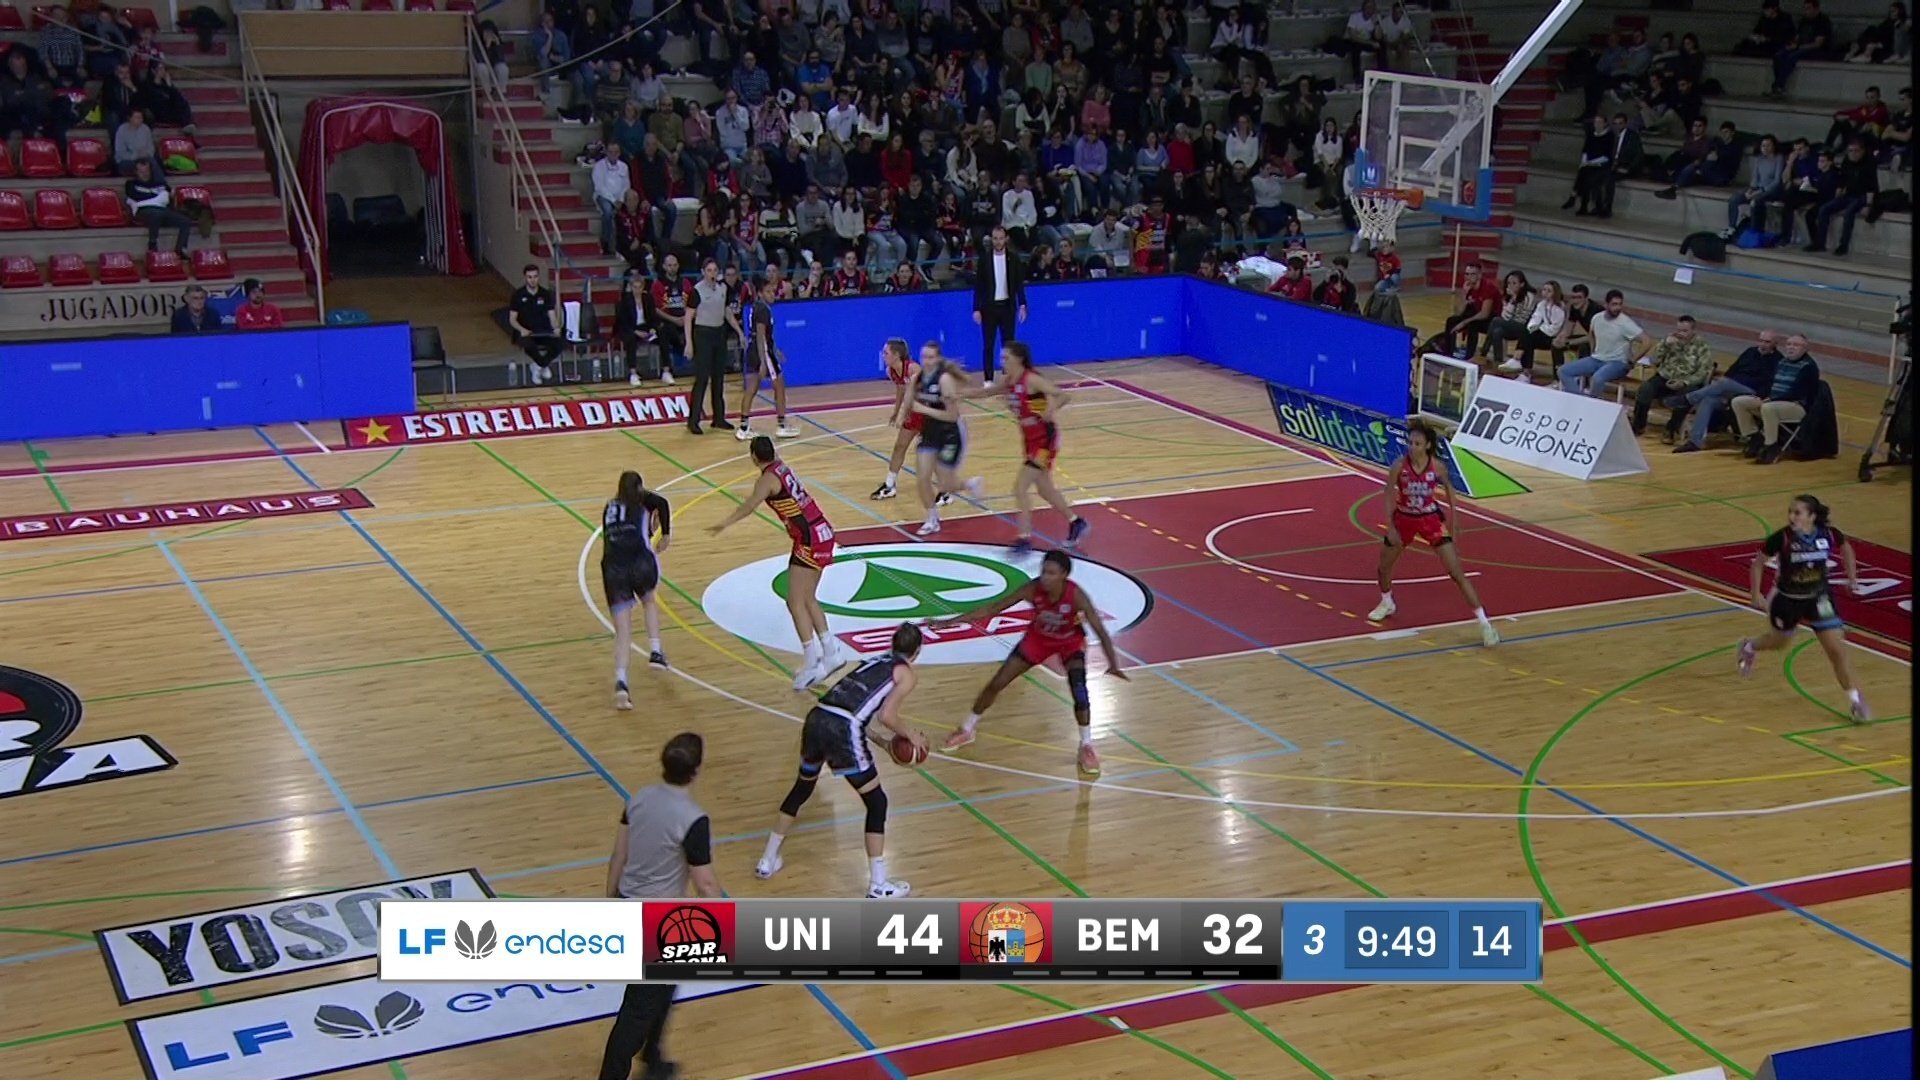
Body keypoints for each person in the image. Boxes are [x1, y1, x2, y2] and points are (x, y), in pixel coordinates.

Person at [754, 622, 927, 898]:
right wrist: (910, 736)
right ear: (917, 652)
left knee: (802, 788)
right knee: (877, 803)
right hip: (843, 729)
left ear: (892, 644)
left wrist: (884, 743)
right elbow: (886, 716)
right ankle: (878, 885)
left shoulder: (873, 662)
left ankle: (767, 859)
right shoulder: (905, 673)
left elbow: (853, 710)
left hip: (818, 717)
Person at [935, 549, 1127, 776]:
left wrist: (1113, 664)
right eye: (1043, 571)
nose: (1045, 577)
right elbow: (992, 609)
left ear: (1064, 575)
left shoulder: (1076, 595)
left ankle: (1086, 745)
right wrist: (949, 622)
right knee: (997, 683)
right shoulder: (1032, 588)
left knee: (1080, 692)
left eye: (1051, 573)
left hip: (1069, 644)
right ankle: (967, 729)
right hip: (1038, 641)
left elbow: (1101, 632)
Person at [597, 732, 722, 1080]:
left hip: (628, 904)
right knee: (637, 1010)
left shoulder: (638, 799)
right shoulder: (693, 819)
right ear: (697, 770)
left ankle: (652, 1056)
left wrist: (611, 901)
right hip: (657, 924)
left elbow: (619, 855)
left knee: (664, 986)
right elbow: (705, 883)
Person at [708, 437, 844, 690]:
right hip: (821, 530)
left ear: (753, 456)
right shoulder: (781, 467)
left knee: (795, 601)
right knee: (808, 598)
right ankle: (830, 650)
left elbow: (750, 506)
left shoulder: (767, 480)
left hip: (809, 539)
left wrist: (724, 523)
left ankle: (813, 662)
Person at [1736, 495, 1869, 723]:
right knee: (1779, 643)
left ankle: (1856, 701)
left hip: (1819, 598)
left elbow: (1846, 548)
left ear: (1812, 516)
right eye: (1790, 512)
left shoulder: (1828, 534)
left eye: (1797, 512)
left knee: (1837, 652)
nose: (1791, 516)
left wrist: (1852, 578)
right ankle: (1749, 646)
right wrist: (1755, 593)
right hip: (1787, 599)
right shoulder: (1782, 538)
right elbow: (1757, 564)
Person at [1366, 420, 1499, 647]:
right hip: (1404, 519)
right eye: (1410, 443)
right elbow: (1388, 494)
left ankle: (1485, 624)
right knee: (1383, 567)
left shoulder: (1437, 467)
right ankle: (1387, 602)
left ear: (1427, 445)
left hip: (1430, 520)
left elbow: (1449, 489)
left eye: (1417, 443)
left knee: (1456, 572)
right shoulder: (1399, 466)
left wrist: (1455, 519)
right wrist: (1390, 526)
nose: (1412, 447)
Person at [963, 342, 1090, 554]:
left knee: (1020, 487)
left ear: (1019, 359)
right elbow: (985, 393)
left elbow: (1062, 395)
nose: (1002, 361)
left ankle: (1024, 538)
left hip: (1044, 440)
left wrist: (1050, 410)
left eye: (1006, 358)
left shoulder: (1030, 379)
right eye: (1001, 358)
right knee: (1044, 489)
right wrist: (958, 395)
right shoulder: (1009, 381)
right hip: (1030, 439)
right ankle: (1076, 521)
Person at [601, 471, 672, 711]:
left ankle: (621, 683)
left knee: (622, 631)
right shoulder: (642, 502)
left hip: (613, 567)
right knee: (649, 601)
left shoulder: (609, 507)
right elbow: (662, 503)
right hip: (639, 560)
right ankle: (655, 651)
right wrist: (664, 533)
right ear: (639, 487)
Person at [907, 342, 986, 537]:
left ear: (938, 359)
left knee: (945, 485)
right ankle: (932, 519)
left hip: (949, 433)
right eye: (924, 357)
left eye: (931, 357)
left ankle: (969, 484)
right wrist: (902, 415)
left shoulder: (945, 380)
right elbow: (909, 400)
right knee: (922, 478)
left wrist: (923, 409)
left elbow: (951, 416)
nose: (926, 361)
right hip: (929, 432)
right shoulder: (918, 379)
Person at [1668, 329, 1780, 453]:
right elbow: (1733, 370)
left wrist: (1758, 394)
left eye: (1767, 342)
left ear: (1775, 344)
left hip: (1753, 393)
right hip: (1730, 389)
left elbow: (1771, 383)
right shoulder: (1750, 351)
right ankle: (1695, 442)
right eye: (1761, 341)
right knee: (1708, 400)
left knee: (1723, 383)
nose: (1763, 344)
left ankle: (1688, 399)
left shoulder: (1777, 360)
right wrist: (1724, 388)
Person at [1730, 332, 1821, 462]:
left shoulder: (1809, 366)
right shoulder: (1782, 362)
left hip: (1796, 405)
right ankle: (1754, 437)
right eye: (1789, 344)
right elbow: (1770, 383)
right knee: (1739, 402)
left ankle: (1770, 446)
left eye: (1796, 345)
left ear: (1805, 349)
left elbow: (1797, 393)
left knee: (1768, 408)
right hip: (1773, 401)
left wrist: (1772, 400)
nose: (1791, 347)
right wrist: (1760, 396)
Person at [733, 276, 798, 439]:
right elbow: (761, 337)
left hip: (753, 350)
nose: (772, 295)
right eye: (768, 292)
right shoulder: (763, 310)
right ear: (760, 294)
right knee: (779, 386)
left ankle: (743, 427)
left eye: (773, 291)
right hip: (763, 353)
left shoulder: (755, 307)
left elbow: (763, 336)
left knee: (751, 389)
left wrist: (776, 350)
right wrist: (764, 361)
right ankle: (782, 425)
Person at [1558, 289, 1653, 399]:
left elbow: (1647, 341)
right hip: (1597, 359)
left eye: (1620, 304)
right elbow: (1591, 335)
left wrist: (1633, 360)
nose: (1618, 308)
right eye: (1614, 304)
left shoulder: (1625, 323)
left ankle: (1594, 401)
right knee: (1563, 371)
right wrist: (1593, 351)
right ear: (1606, 305)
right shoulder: (1597, 318)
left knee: (1597, 378)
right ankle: (1579, 398)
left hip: (1617, 363)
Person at [1629, 315, 1713, 438]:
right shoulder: (1669, 339)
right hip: (1665, 378)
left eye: (1685, 331)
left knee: (1685, 397)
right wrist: (1665, 345)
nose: (1681, 334)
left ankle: (1671, 430)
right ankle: (1638, 425)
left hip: (1687, 382)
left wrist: (1684, 382)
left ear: (1693, 331)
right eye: (1679, 330)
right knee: (1645, 389)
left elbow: (1703, 373)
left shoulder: (1702, 346)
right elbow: (1654, 360)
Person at [683, 259, 734, 434]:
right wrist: (689, 343)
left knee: (718, 378)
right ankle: (693, 420)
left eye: (715, 270)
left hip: (719, 333)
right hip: (703, 334)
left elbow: (727, 312)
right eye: (709, 270)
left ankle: (719, 418)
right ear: (703, 272)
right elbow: (688, 317)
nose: (712, 273)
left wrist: (739, 331)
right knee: (702, 378)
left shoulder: (723, 288)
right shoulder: (696, 291)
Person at [972, 225, 1027, 380]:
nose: (998, 242)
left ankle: (1008, 376)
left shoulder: (1014, 259)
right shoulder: (984, 260)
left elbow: (1019, 284)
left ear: (1006, 239)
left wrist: (1022, 304)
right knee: (988, 345)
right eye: (995, 238)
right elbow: (979, 286)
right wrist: (976, 308)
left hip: (1007, 307)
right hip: (989, 308)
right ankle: (988, 379)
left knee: (1009, 346)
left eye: (1001, 238)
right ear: (992, 239)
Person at [509, 264, 562, 385]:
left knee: (560, 342)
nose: (532, 280)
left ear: (538, 277)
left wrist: (555, 328)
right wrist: (521, 329)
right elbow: (512, 319)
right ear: (525, 278)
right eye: (530, 277)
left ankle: (538, 365)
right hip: (526, 332)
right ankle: (543, 365)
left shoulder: (545, 294)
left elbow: (552, 316)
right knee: (528, 345)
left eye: (535, 276)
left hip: (543, 331)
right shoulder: (517, 295)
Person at [125, 158, 191, 255]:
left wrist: (160, 196)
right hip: (143, 211)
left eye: (147, 171)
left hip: (163, 211)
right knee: (156, 214)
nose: (144, 174)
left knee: (185, 221)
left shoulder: (160, 183)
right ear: (136, 172)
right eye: (141, 172)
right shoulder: (131, 184)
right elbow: (137, 196)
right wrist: (159, 196)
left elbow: (170, 194)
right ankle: (152, 244)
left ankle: (181, 249)